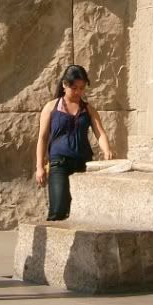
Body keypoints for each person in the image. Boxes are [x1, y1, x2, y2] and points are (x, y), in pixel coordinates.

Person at [35, 64, 113, 221]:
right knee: (58, 209)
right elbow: (42, 138)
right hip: (59, 164)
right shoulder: (51, 107)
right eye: (75, 88)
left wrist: (107, 150)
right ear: (65, 85)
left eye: (82, 88)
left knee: (83, 211)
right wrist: (39, 167)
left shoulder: (88, 109)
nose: (79, 92)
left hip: (83, 164)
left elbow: (100, 133)